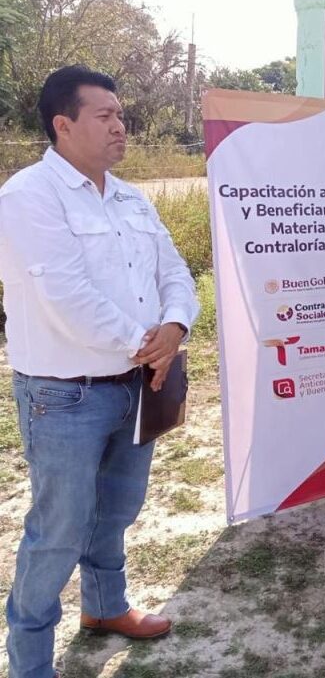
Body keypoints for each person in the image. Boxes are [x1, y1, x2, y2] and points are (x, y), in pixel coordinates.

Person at [0, 65, 198, 678]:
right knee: (58, 530)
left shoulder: (131, 197)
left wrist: (176, 327)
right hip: (64, 397)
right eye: (105, 115)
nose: (121, 126)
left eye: (121, 115)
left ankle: (105, 607)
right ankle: (30, 663)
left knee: (117, 509)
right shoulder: (29, 196)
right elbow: (65, 295)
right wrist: (148, 343)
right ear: (63, 124)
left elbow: (174, 271)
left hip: (136, 387)